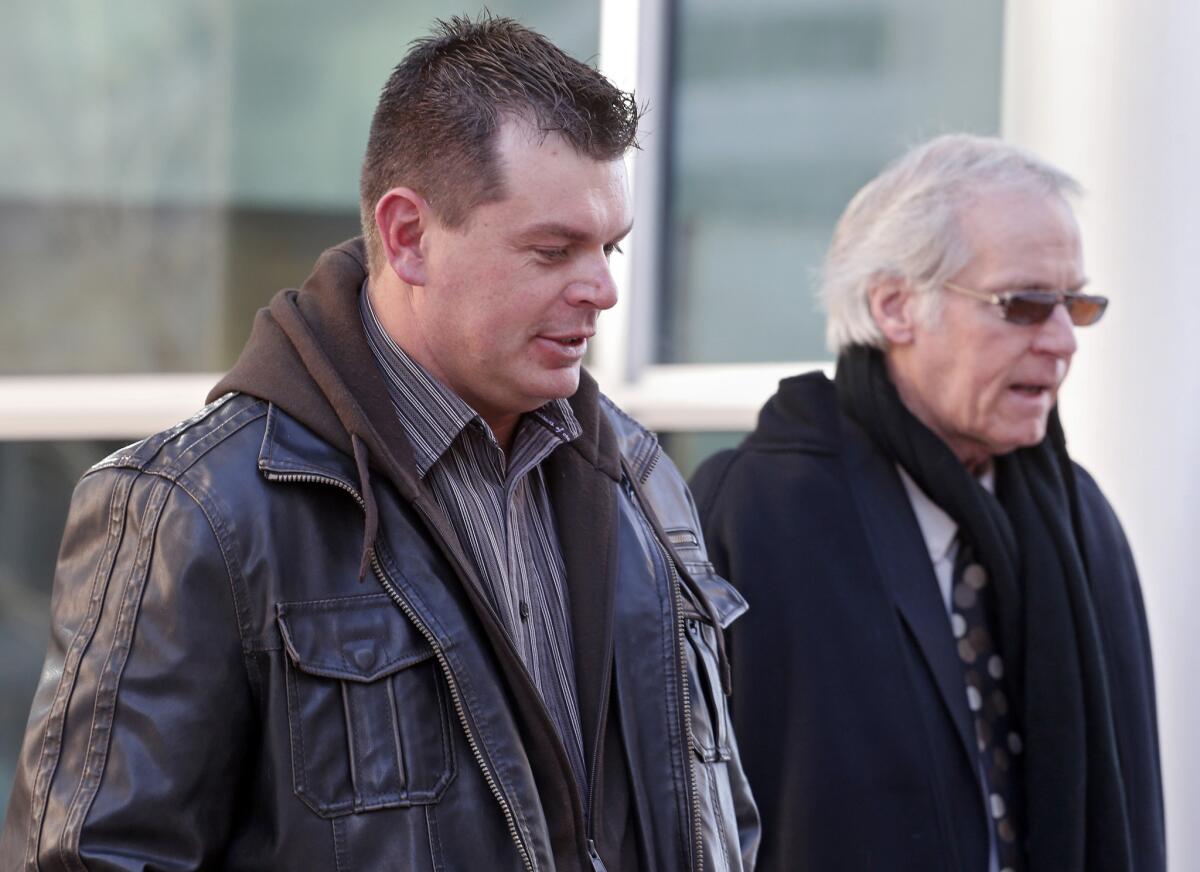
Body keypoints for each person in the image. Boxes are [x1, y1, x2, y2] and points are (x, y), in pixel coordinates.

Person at [1, 16, 758, 871]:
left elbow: (722, 820)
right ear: (406, 237)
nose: (605, 290)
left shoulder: (644, 482)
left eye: (611, 247)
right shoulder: (194, 510)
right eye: (555, 250)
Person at [691, 134, 1164, 872]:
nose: (1064, 340)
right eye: (1025, 305)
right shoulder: (756, 514)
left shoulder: (1079, 519)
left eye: (1077, 303)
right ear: (894, 307)